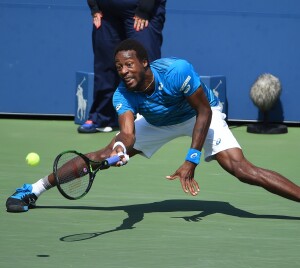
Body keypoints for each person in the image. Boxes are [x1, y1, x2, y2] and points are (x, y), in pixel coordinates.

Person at [6, 39, 300, 212]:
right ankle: (33, 189)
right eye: (119, 67)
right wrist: (120, 148)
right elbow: (127, 131)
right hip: (159, 122)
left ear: (145, 63)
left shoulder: (176, 71)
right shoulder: (122, 93)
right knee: (98, 156)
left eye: (129, 64)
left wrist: (191, 158)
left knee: (240, 169)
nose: (124, 71)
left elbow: (203, 112)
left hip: (198, 115)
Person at [78, 0, 166, 133]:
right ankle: (103, 118)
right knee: (105, 66)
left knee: (144, 64)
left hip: (140, 10)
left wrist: (144, 9)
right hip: (105, 13)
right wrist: (94, 7)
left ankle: (151, 119)